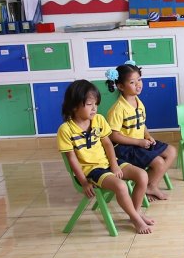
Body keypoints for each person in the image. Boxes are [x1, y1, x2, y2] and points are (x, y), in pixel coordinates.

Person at [57, 80, 154, 234]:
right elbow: (72, 159)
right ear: (74, 106)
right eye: (89, 104)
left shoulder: (99, 120)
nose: (94, 108)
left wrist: (114, 165)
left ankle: (135, 213)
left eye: (96, 104)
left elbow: (108, 144)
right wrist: (83, 182)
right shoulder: (66, 130)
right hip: (91, 171)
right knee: (121, 186)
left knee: (142, 175)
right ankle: (136, 219)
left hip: (109, 163)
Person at [105, 61, 177, 201]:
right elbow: (113, 136)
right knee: (158, 162)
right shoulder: (118, 109)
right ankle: (148, 187)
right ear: (120, 86)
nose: (138, 84)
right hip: (126, 148)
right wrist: (138, 142)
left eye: (139, 80)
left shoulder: (138, 101)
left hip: (141, 143)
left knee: (172, 151)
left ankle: (151, 186)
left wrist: (148, 136)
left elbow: (141, 123)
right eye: (132, 82)